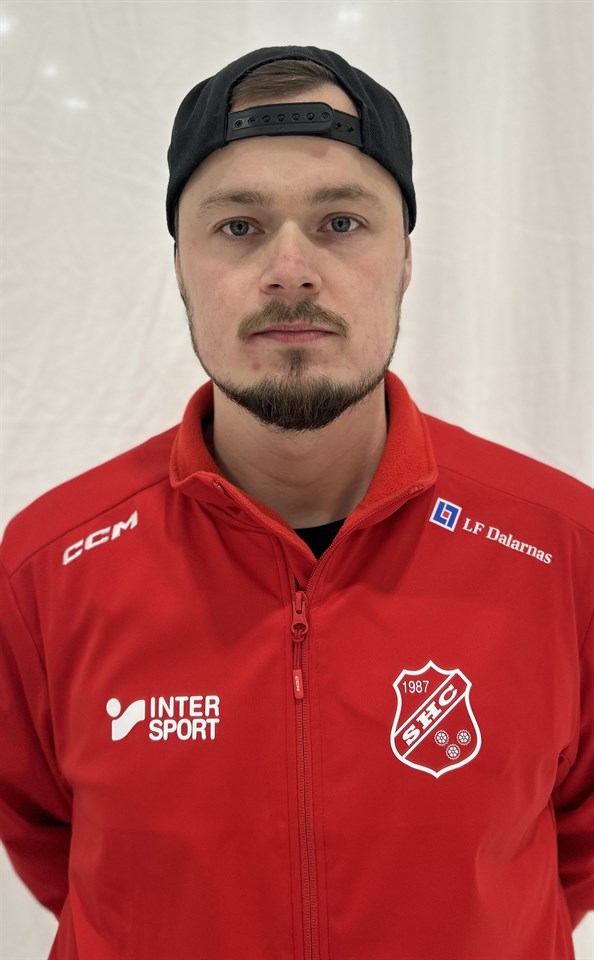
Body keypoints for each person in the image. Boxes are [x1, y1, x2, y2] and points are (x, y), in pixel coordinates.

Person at [0, 44, 592, 960]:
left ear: (405, 260)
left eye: (341, 223)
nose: (290, 269)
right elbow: (51, 841)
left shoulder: (564, 547)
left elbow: (573, 849)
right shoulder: (45, 567)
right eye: (238, 226)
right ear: (181, 266)